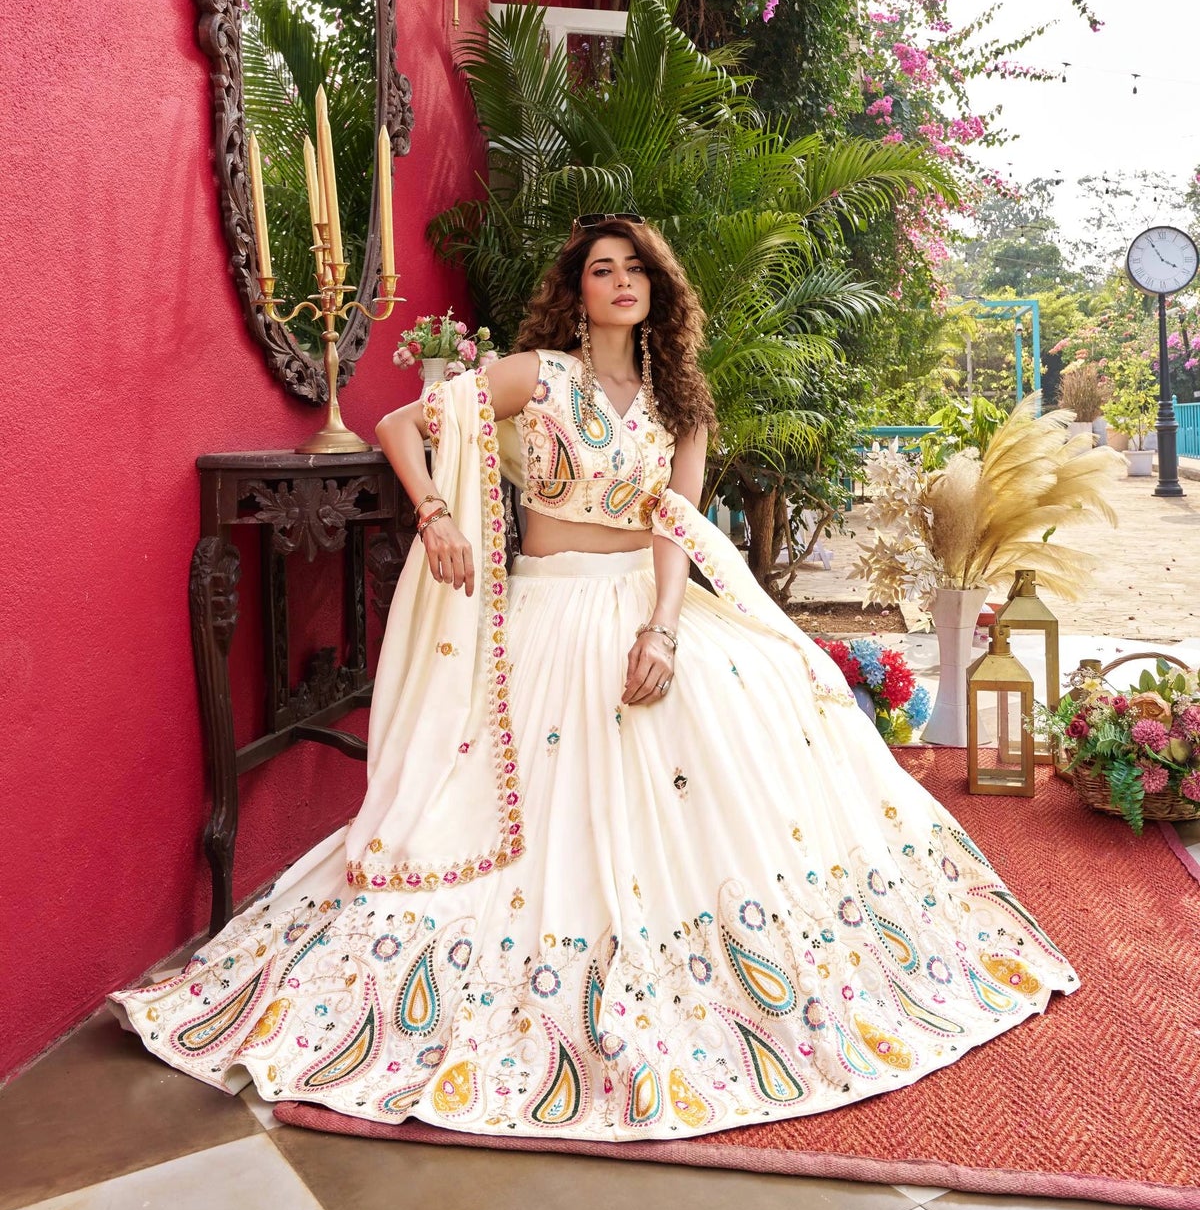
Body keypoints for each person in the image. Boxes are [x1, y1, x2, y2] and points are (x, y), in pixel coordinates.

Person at [110, 216, 1078, 1140]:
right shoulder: (540, 378)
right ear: (578, 292)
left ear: (659, 292)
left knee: (767, 707)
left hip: (640, 606)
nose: (621, 282)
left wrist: (662, 631)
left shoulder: (680, 407)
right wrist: (438, 516)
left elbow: (678, 528)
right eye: (603, 269)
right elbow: (405, 425)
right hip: (542, 611)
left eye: (636, 269)